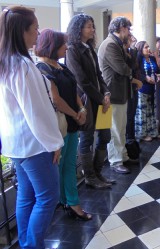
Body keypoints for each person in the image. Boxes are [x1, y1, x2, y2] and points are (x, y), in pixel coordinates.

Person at [0, 6, 64, 248]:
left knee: (26, 196)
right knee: (48, 197)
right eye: (35, 29)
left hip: (16, 143)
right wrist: (54, 142)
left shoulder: (7, 62)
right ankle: (32, 244)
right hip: (33, 143)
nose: (38, 34)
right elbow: (36, 112)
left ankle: (27, 243)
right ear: (21, 32)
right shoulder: (22, 66)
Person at [35, 29, 92, 221]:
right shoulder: (42, 68)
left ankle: (72, 202)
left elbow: (73, 90)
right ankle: (62, 202)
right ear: (52, 46)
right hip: (59, 125)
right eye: (63, 44)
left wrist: (81, 110)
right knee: (58, 168)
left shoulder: (60, 66)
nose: (66, 47)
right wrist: (76, 114)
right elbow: (56, 99)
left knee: (69, 165)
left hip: (72, 122)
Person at [66, 14, 114, 188]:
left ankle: (98, 173)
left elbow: (99, 75)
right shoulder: (72, 49)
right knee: (86, 139)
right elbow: (81, 81)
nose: (92, 29)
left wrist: (106, 93)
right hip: (87, 101)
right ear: (78, 29)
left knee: (105, 136)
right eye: (88, 26)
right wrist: (101, 97)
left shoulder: (89, 48)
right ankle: (90, 177)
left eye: (92, 25)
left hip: (101, 100)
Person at [98, 16, 142, 174]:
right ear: (121, 28)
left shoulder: (118, 44)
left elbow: (131, 64)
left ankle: (122, 155)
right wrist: (133, 77)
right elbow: (122, 68)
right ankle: (116, 160)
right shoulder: (110, 44)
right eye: (128, 29)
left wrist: (132, 50)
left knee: (121, 127)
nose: (129, 32)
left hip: (121, 92)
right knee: (115, 129)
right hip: (113, 93)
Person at [135, 41, 160, 141]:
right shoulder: (138, 59)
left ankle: (153, 132)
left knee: (152, 111)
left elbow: (158, 71)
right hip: (142, 89)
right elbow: (136, 73)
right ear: (141, 49)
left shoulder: (152, 58)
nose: (148, 49)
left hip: (152, 89)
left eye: (149, 47)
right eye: (146, 47)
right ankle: (143, 134)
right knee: (143, 112)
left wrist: (158, 76)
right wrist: (145, 78)